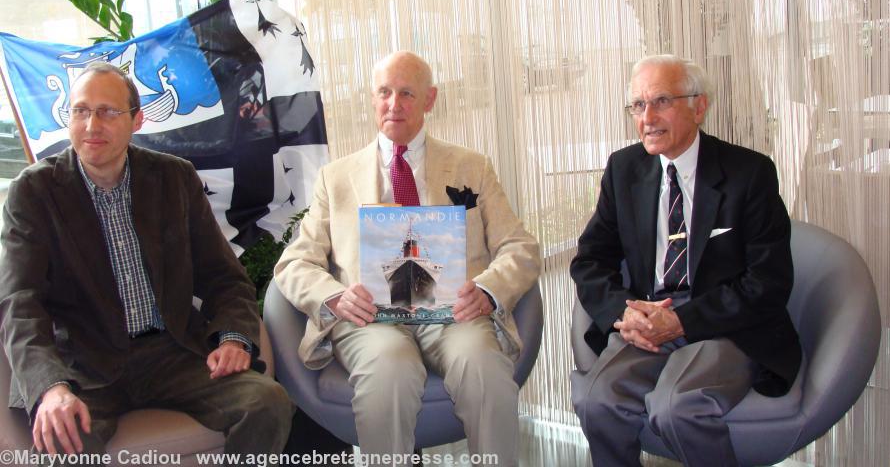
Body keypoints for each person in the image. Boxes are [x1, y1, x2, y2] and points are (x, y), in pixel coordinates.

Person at [0, 63, 293, 456]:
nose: (91, 125)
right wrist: (51, 388)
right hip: (83, 365)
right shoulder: (34, 192)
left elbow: (224, 276)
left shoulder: (174, 178)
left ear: (137, 120)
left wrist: (233, 337)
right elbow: (20, 303)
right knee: (62, 440)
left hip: (171, 351)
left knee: (267, 403)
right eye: (80, 111)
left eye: (107, 111)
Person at [274, 50, 539, 466]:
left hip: (454, 316)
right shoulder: (336, 178)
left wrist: (488, 290)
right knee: (389, 370)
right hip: (370, 320)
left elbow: (520, 247)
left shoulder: (473, 167)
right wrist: (334, 297)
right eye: (384, 92)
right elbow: (293, 264)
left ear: (430, 100)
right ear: (372, 98)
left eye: (406, 93)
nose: (393, 104)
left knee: (483, 366)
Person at [570, 55, 801, 467]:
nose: (647, 118)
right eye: (638, 106)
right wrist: (625, 313)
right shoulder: (624, 169)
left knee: (676, 408)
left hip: (725, 326)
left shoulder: (749, 173)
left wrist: (682, 321)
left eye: (661, 101)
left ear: (699, 106)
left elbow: (768, 281)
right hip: (649, 317)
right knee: (595, 399)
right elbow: (590, 259)